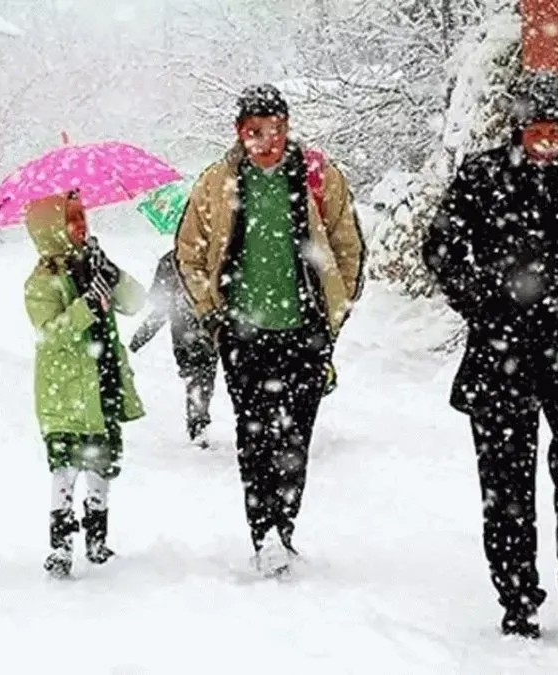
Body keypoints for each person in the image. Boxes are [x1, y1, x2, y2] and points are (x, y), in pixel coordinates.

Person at [421, 69, 558, 639]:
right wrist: (479, 301)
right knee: (506, 487)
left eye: (557, 132)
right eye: (536, 132)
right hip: (501, 354)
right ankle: (517, 597)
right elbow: (441, 245)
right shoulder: (483, 175)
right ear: (518, 130)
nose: (547, 143)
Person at [174, 83, 365, 577]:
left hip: (304, 330)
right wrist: (212, 309)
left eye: (276, 129)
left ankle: (285, 525)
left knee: (296, 435)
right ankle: (263, 533)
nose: (268, 140)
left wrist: (334, 310)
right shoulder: (217, 183)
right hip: (242, 333)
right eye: (256, 131)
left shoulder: (317, 177)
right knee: (254, 435)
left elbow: (348, 243)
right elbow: (189, 252)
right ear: (240, 133)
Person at [23, 191, 146, 579]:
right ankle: (60, 544)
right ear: (51, 230)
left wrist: (111, 274)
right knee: (65, 468)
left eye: (82, 217)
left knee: (101, 465)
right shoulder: (42, 282)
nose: (81, 225)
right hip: (67, 391)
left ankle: (97, 536)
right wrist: (85, 308)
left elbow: (135, 301)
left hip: (103, 380)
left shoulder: (93, 266)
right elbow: (50, 333)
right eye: (70, 219)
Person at [129, 250, 218, 448]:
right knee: (203, 375)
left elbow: (160, 308)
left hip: (187, 332)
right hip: (205, 328)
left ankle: (198, 421)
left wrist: (140, 338)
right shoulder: (212, 256)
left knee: (197, 375)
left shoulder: (170, 261)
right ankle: (198, 421)